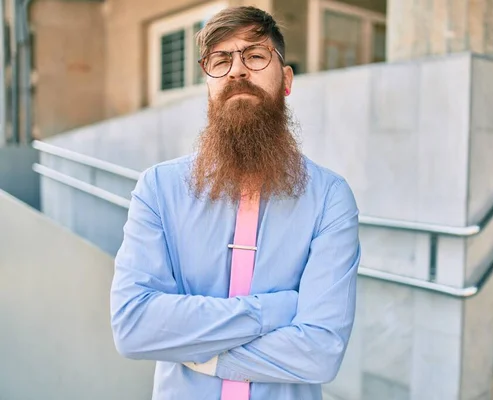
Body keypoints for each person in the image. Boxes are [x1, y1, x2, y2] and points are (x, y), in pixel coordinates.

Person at [110, 5, 361, 400]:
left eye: (256, 56)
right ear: (208, 82)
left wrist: (202, 356)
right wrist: (275, 310)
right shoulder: (158, 188)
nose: (237, 70)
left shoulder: (329, 198)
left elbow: (320, 353)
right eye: (220, 60)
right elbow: (133, 326)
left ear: (287, 80)